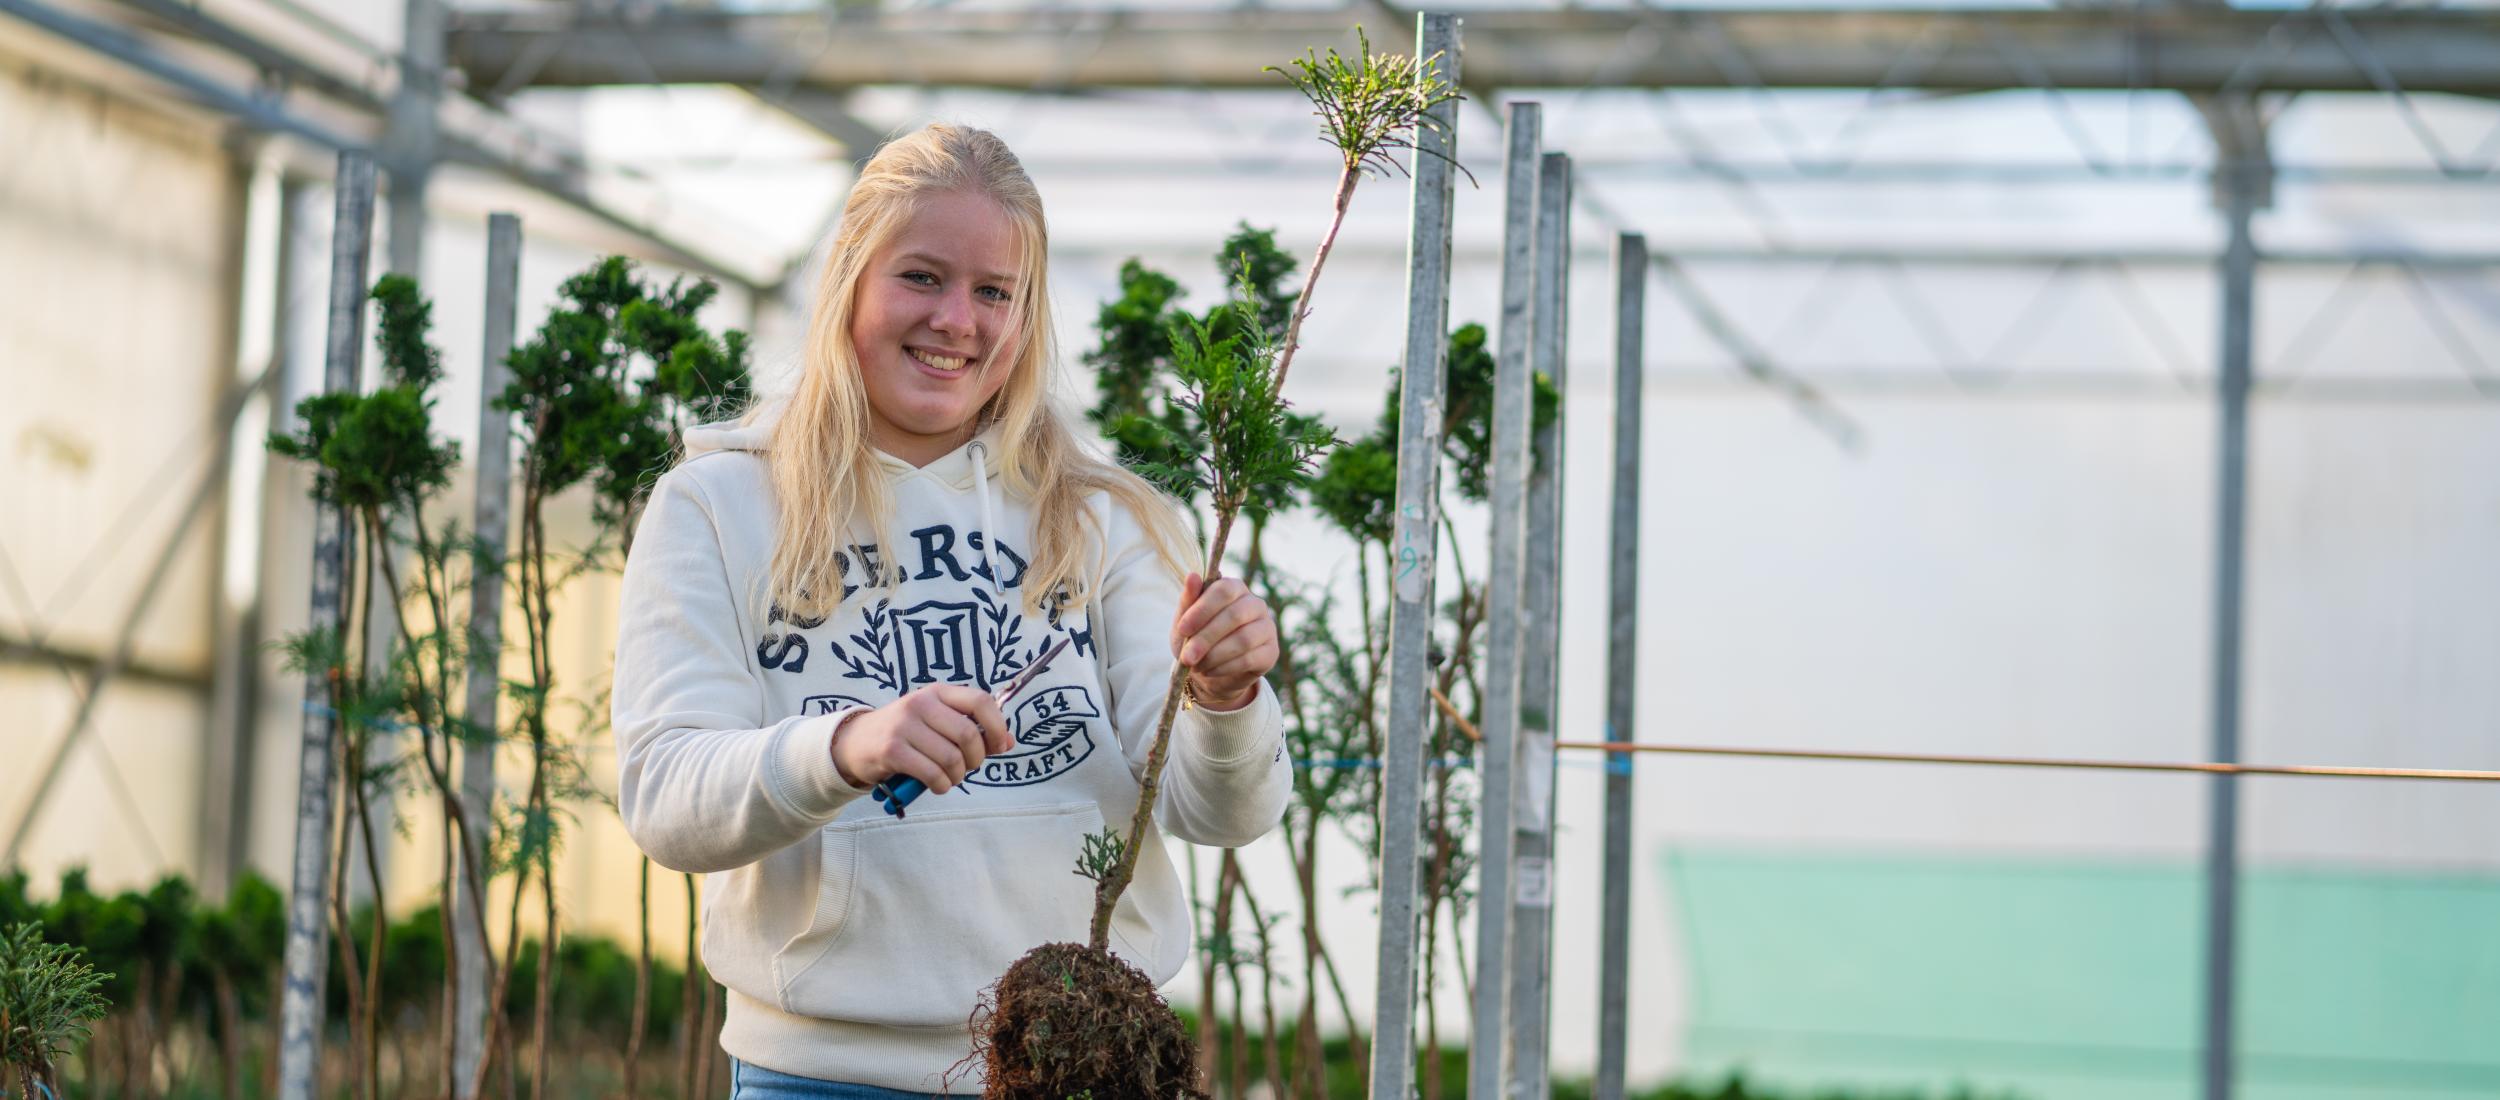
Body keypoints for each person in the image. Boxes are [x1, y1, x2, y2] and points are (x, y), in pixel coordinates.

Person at [610, 122, 1291, 1099]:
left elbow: (1216, 809)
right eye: (921, 276)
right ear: (848, 276)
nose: (956, 321)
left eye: (994, 291)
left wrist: (1228, 699)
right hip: (822, 1076)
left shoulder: (1106, 515)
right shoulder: (718, 504)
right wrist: (844, 744)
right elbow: (666, 794)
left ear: (1027, 311)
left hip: (1082, 1068)